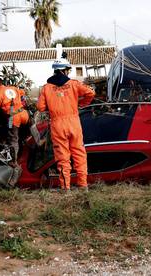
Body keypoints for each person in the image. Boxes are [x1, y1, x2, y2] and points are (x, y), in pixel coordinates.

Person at [37, 54, 95, 191]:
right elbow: (90, 93)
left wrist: (51, 108)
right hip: (74, 123)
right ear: (65, 70)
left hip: (57, 125)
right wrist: (80, 104)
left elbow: (40, 107)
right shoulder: (74, 84)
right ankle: (83, 186)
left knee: (62, 157)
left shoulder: (46, 88)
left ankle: (66, 188)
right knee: (79, 154)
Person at [0, 75, 29, 167]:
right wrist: (20, 99)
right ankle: (38, 142)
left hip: (13, 117)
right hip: (23, 113)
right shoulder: (13, 88)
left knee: (13, 139)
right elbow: (23, 92)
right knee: (31, 126)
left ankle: (14, 162)